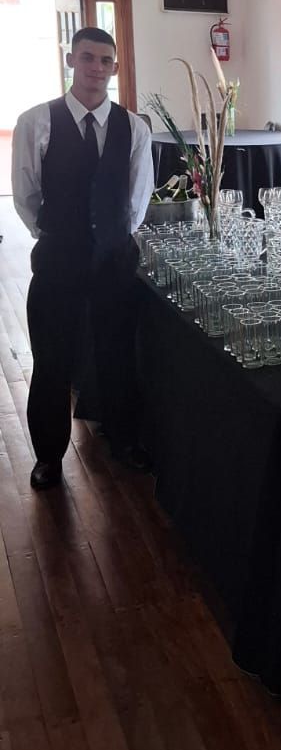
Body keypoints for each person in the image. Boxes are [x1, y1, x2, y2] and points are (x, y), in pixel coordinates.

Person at [12, 26, 155, 490]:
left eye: (105, 61)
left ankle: (123, 439)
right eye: (88, 58)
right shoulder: (37, 121)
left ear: (115, 67)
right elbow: (27, 195)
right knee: (52, 361)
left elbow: (137, 198)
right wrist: (58, 235)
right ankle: (49, 457)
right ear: (71, 60)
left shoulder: (134, 127)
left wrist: (111, 238)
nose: (97, 68)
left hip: (114, 262)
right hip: (58, 262)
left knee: (117, 355)